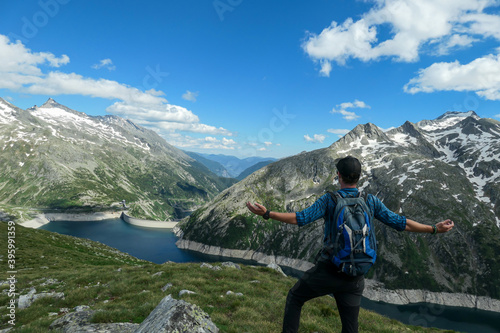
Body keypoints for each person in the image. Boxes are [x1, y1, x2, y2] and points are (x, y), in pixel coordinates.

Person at [246, 156, 455, 333]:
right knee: (350, 327)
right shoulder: (370, 201)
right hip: (356, 276)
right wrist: (434, 229)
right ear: (359, 177)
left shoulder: (330, 200)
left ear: (338, 176)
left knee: (295, 297)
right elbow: (401, 223)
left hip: (328, 271)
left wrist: (267, 214)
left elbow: (299, 218)